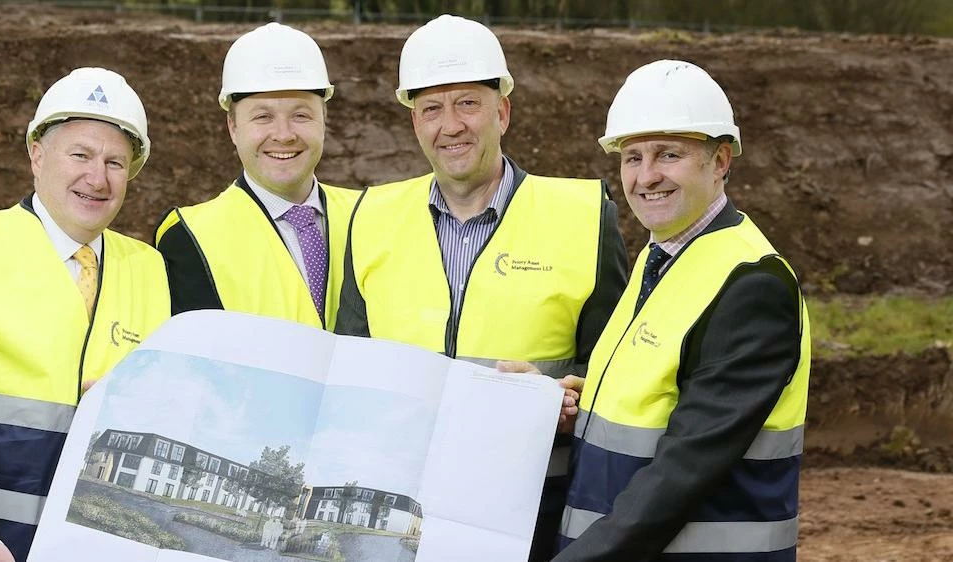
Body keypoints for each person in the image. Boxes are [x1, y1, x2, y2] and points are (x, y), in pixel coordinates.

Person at [333, 15, 628, 560]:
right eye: (432, 109)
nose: (451, 125)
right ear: (415, 123)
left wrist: (559, 394)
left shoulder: (584, 217)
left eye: (468, 103)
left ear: (503, 113)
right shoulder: (371, 217)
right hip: (399, 509)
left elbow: (617, 370)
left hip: (534, 509)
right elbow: (350, 367)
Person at [0, 67, 171, 562]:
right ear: (37, 155)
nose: (97, 178)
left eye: (115, 162)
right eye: (80, 155)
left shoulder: (152, 270)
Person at [553, 60, 810, 561]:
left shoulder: (752, 285)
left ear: (721, 160)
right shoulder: (662, 255)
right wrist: (571, 402)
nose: (646, 176)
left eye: (668, 154)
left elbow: (682, 472)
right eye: (632, 157)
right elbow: (658, 397)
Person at [154, 23, 360, 330]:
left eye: (300, 115)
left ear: (323, 120)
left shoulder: (369, 218)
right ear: (233, 127)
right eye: (263, 117)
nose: (284, 135)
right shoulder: (187, 237)